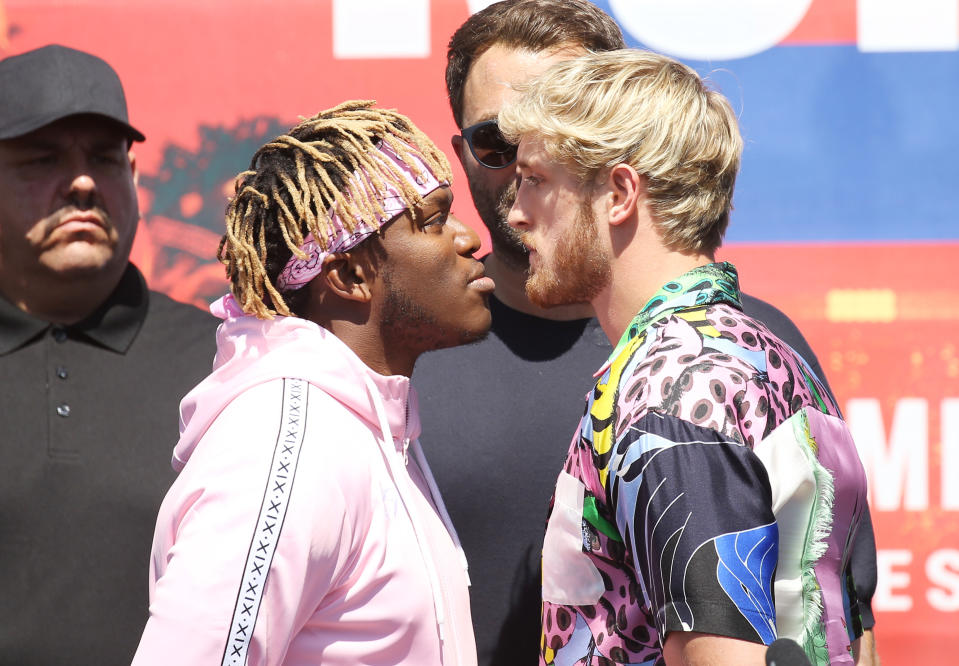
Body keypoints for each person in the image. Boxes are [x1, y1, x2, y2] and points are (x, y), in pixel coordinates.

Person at [414, 2, 878, 664]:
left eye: (538, 177)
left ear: (620, 191)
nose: (516, 205)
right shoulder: (760, 356)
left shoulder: (675, 384)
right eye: (498, 150)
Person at [132, 101, 493, 665]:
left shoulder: (367, 425)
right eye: (432, 221)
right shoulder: (289, 443)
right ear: (349, 274)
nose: (468, 238)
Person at [0, 45, 217, 664]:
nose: (84, 182)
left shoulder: (226, 370)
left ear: (134, 179)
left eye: (105, 157)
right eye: (42, 159)